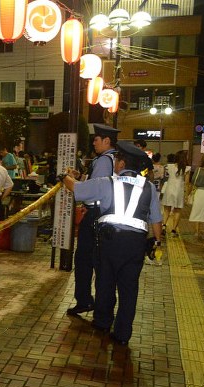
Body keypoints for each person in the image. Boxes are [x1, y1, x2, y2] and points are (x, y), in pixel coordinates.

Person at [61, 142, 162, 345]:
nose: (114, 163)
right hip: (135, 245)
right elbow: (156, 220)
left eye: (117, 160)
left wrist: (63, 177)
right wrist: (158, 242)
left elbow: (76, 189)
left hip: (109, 242)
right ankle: (123, 334)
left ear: (122, 163)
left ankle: (103, 321)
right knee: (129, 289)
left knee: (105, 282)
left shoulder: (108, 183)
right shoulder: (149, 187)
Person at [66, 123, 118, 316]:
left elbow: (93, 191)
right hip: (106, 213)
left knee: (84, 259)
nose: (94, 143)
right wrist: (81, 177)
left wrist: (70, 180)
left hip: (96, 214)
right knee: (98, 260)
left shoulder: (104, 160)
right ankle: (98, 305)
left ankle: (85, 300)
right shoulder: (114, 159)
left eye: (96, 139)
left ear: (106, 141)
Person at [162, 151, 188, 237]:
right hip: (179, 190)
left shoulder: (168, 166)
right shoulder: (187, 168)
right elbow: (187, 183)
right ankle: (173, 230)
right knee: (177, 210)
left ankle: (163, 226)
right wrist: (187, 194)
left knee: (166, 209)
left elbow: (164, 178)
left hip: (169, 188)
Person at [188, 153, 204, 240]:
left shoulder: (199, 170)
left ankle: (196, 231)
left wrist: (188, 193)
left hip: (200, 192)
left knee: (197, 211)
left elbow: (193, 182)